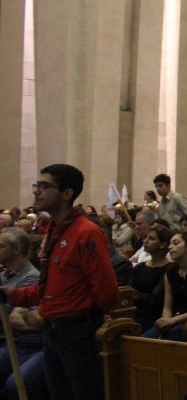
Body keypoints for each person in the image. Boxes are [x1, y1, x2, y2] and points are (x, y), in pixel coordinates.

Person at [3, 164, 118, 400]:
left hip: (77, 333)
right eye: (37, 185)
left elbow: (106, 290)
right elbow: (52, 288)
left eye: (45, 186)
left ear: (66, 194)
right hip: (53, 331)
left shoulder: (86, 232)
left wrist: (82, 318)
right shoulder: (55, 230)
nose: (37, 191)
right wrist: (13, 294)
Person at [143, 232, 187, 340]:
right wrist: (165, 321)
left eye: (175, 243)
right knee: (144, 340)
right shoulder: (170, 272)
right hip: (174, 320)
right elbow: (167, 307)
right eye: (170, 244)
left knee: (167, 338)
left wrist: (173, 320)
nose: (170, 247)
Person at [0, 228, 46, 399]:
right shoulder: (4, 275)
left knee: (16, 384)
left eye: (1, 246)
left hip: (33, 347)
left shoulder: (31, 278)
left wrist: (16, 314)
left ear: (17, 249)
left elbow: (16, 319)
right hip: (11, 343)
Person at [131, 224, 173, 331]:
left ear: (163, 244)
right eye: (145, 237)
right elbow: (130, 290)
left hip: (155, 316)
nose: (145, 241)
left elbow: (155, 299)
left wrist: (134, 296)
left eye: (151, 239)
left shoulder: (169, 268)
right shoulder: (140, 267)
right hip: (135, 312)